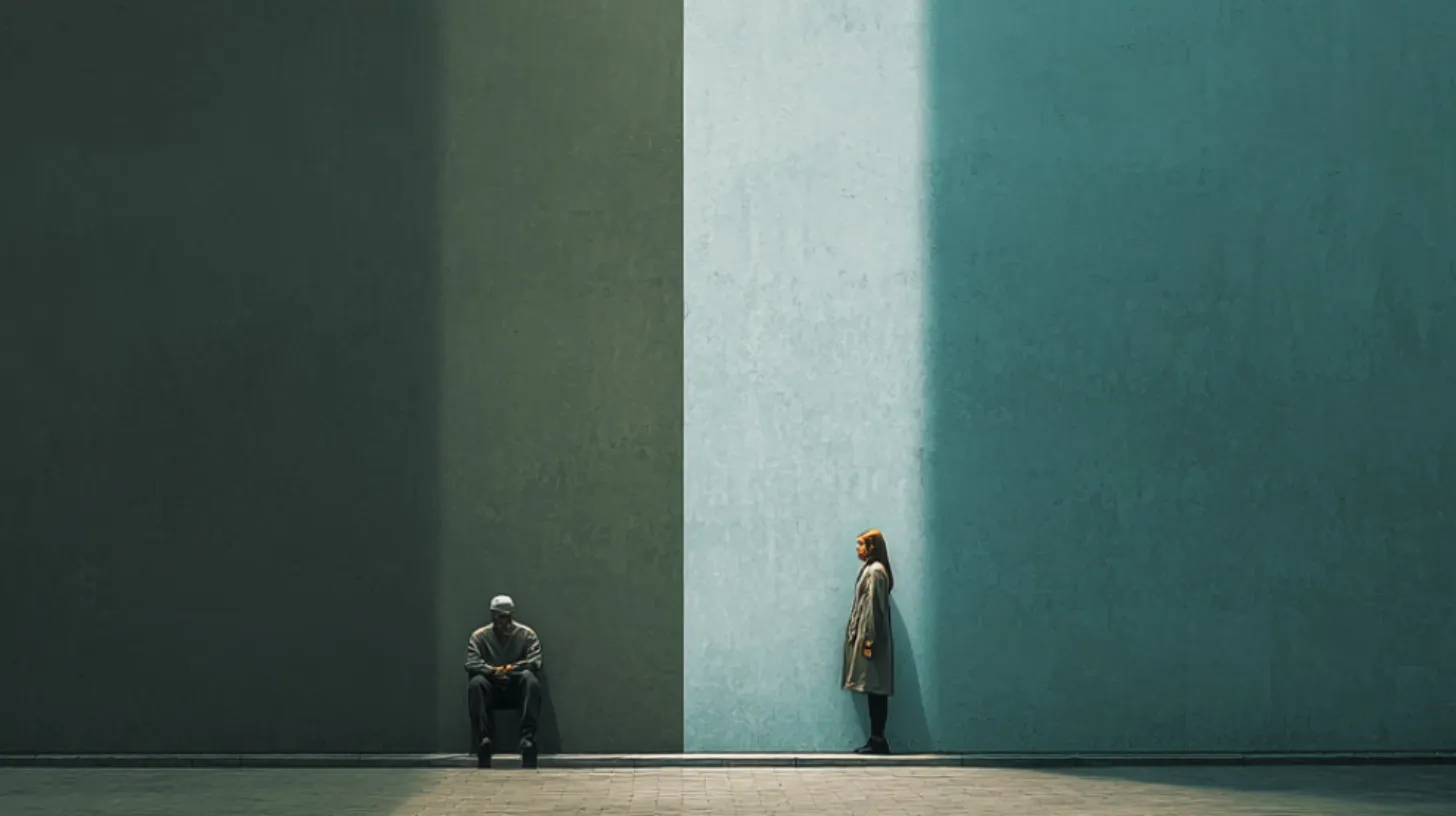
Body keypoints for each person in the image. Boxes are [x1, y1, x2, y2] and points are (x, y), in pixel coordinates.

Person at [465, 594, 543, 769]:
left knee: (530, 680)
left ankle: (528, 740)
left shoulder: (526, 635)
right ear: (493, 617)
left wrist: (510, 669)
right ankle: (483, 740)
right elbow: (471, 663)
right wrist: (492, 672)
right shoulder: (479, 637)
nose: (505, 622)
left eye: (508, 617)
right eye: (501, 617)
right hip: (491, 688)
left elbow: (534, 661)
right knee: (476, 683)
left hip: (516, 687)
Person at [842, 528, 895, 754]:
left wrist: (869, 640)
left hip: (872, 642)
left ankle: (878, 739)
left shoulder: (875, 572)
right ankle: (876, 739)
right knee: (874, 690)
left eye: (860, 545)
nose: (857, 549)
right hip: (870, 639)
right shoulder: (871, 570)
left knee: (876, 691)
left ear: (871, 547)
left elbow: (873, 608)